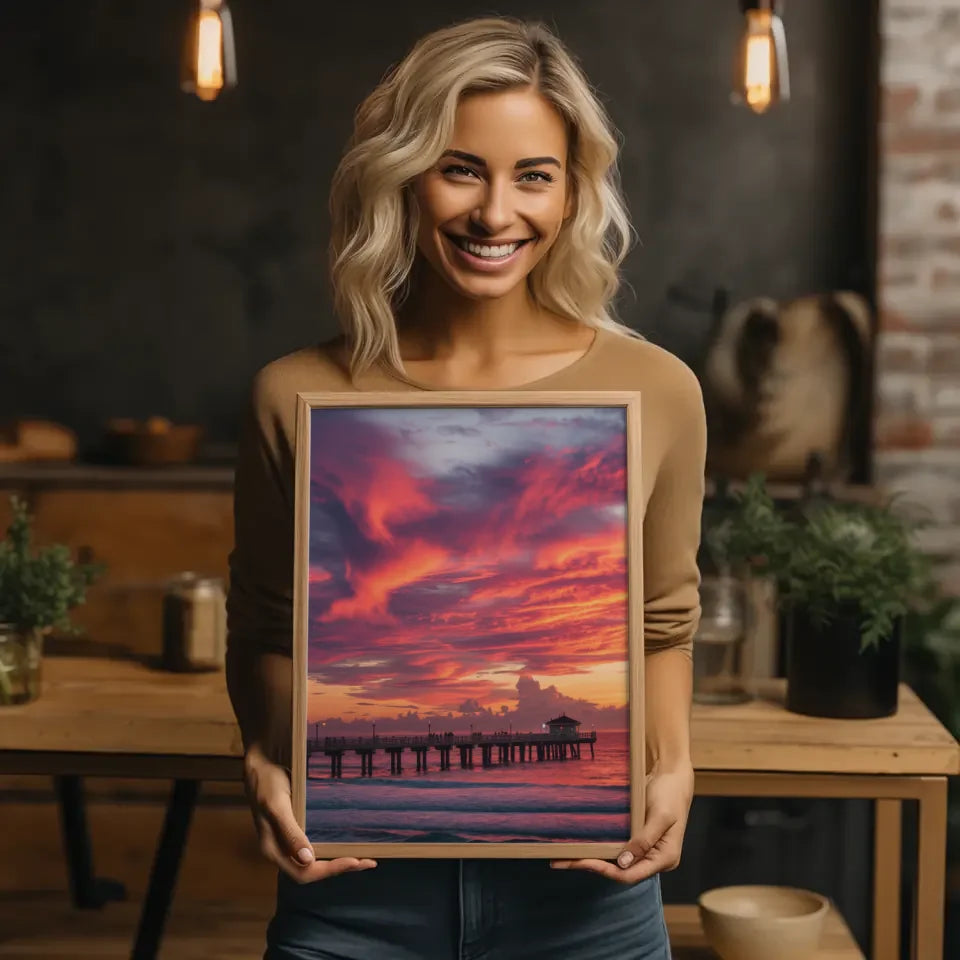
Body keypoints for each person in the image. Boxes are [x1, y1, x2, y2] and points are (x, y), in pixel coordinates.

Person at [226, 15, 706, 960]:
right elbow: (266, 628)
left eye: (534, 175)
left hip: (587, 904)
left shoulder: (659, 390)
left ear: (572, 195)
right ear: (402, 178)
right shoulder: (297, 394)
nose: (496, 214)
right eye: (460, 169)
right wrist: (261, 754)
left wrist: (675, 767)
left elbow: (661, 624)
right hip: (352, 898)